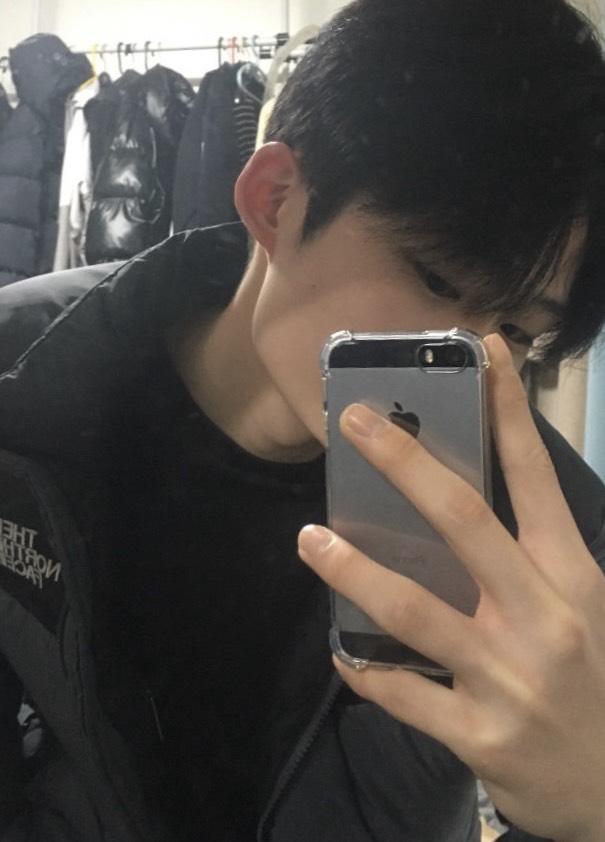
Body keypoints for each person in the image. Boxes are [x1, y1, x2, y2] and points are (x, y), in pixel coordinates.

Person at [1, 1, 605, 840]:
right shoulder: (23, 379)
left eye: (515, 329)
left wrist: (583, 809)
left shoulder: (552, 541)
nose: (466, 355)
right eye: (438, 279)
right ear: (274, 198)